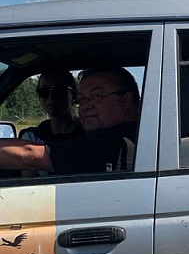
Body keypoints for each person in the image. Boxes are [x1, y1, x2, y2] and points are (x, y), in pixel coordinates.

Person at [0, 65, 140, 175]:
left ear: (126, 99)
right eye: (83, 99)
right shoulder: (141, 134)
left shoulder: (113, 141)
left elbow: (29, 156)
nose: (86, 105)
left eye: (97, 95)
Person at [21, 66, 83, 145]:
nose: (51, 96)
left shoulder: (89, 132)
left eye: (59, 91)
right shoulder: (32, 137)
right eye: (44, 91)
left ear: (74, 94)